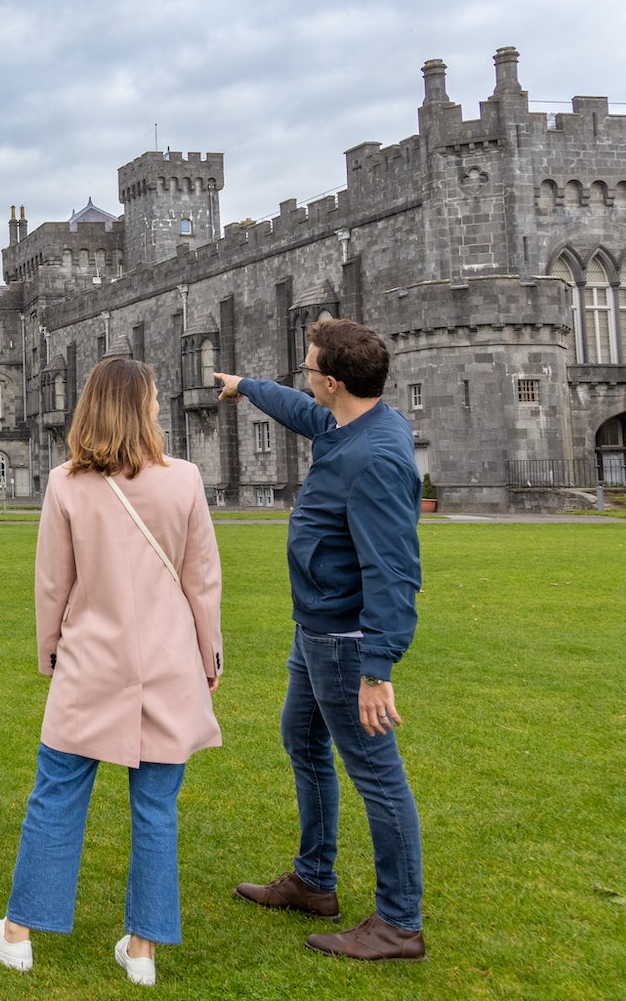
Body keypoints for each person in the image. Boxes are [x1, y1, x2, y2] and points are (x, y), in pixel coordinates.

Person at [0, 357, 223, 988]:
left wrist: (49, 649)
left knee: (55, 799)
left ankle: (19, 935)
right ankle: (142, 952)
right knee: (157, 809)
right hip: (168, 662)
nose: (161, 406)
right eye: (155, 399)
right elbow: (203, 583)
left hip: (90, 664)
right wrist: (209, 654)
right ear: (138, 408)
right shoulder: (184, 480)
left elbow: (53, 584)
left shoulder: (65, 484)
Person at [212, 317, 427, 961]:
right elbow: (304, 413)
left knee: (378, 777)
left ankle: (398, 922)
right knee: (301, 740)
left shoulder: (378, 456)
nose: (306, 380)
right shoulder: (346, 423)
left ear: (334, 380)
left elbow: (393, 569)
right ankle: (314, 880)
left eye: (310, 370)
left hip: (344, 642)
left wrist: (376, 666)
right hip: (315, 631)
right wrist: (245, 386)